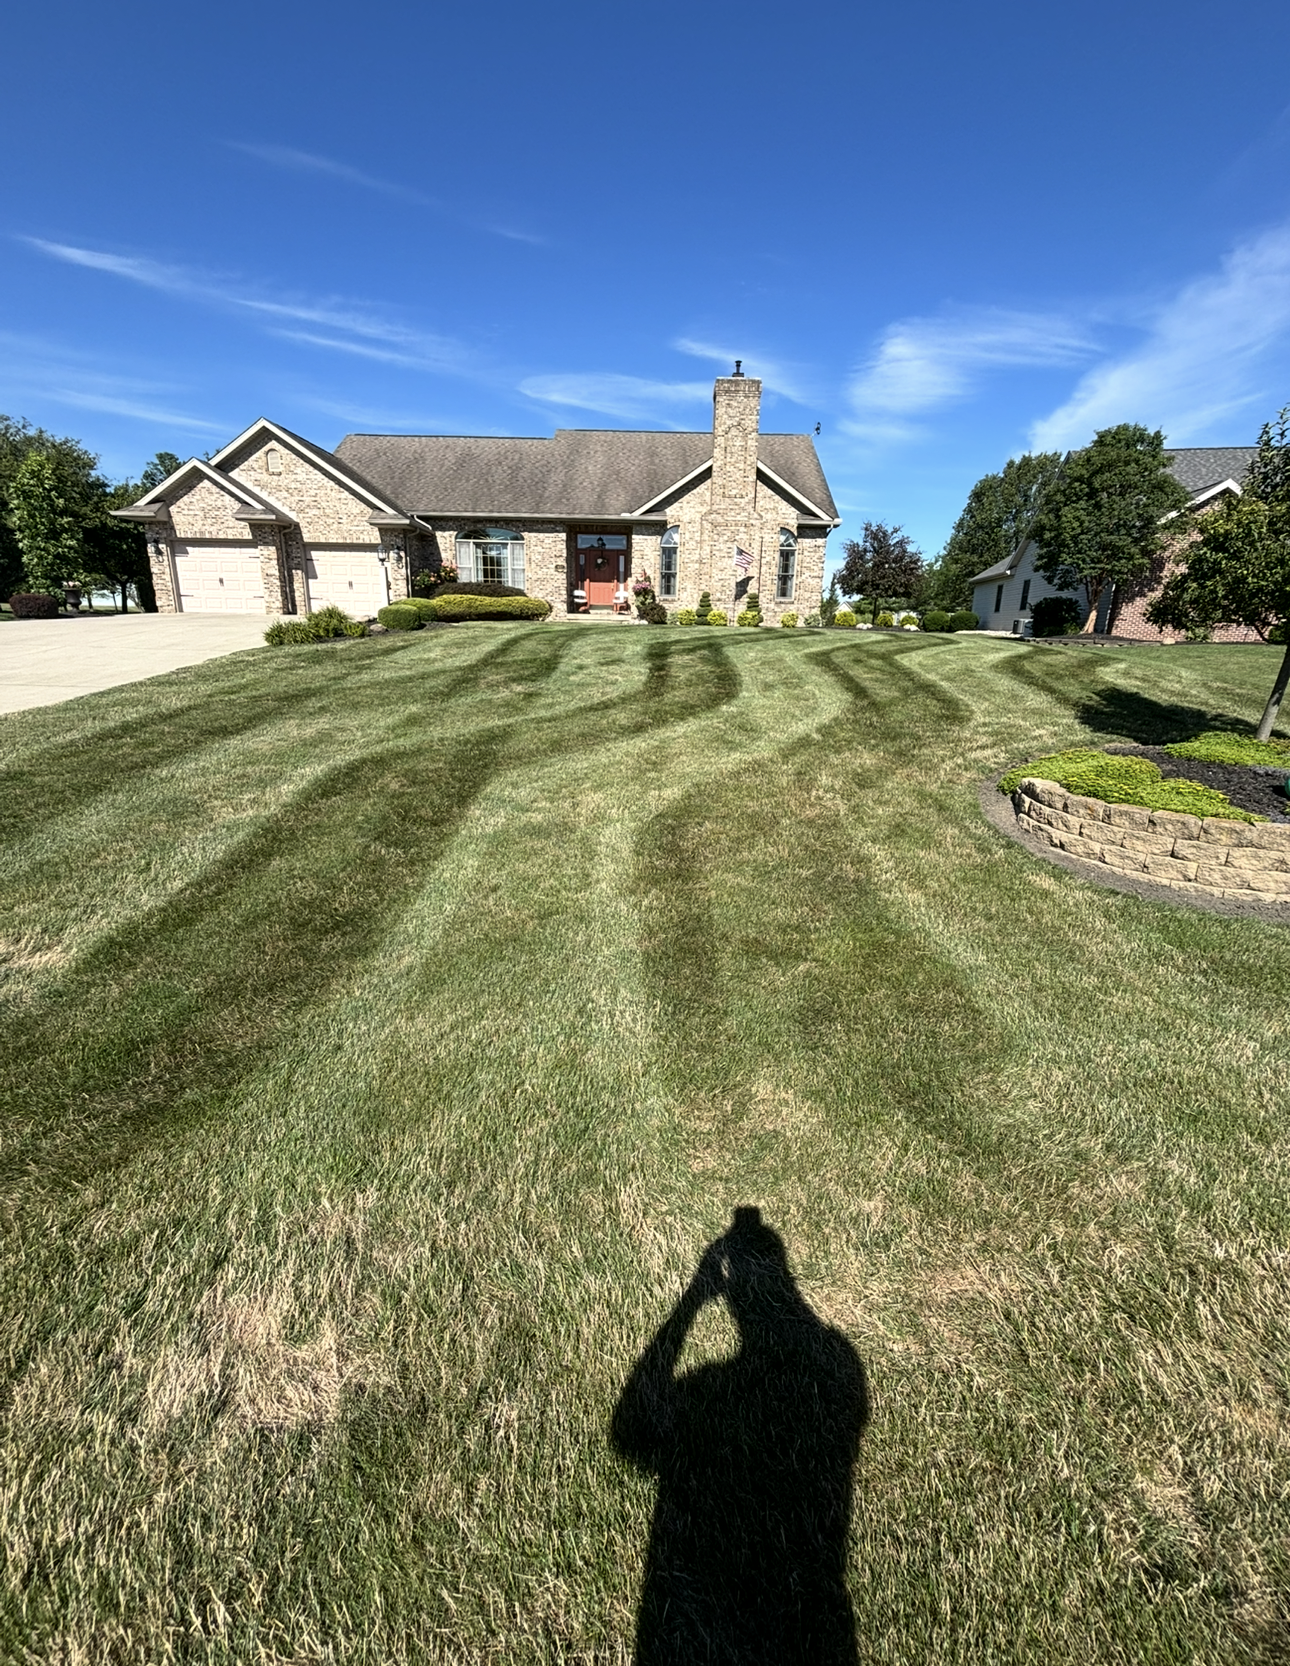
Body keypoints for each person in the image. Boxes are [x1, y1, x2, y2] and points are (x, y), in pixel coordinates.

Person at [612, 1207, 869, 1664]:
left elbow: (630, 1432)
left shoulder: (706, 1386)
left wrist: (692, 1298)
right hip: (814, 1620)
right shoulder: (839, 1361)